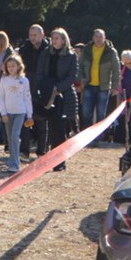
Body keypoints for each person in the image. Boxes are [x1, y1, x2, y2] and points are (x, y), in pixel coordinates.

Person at [43, 28, 80, 170]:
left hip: (64, 96)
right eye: (53, 38)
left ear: (64, 40)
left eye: (57, 38)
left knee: (61, 130)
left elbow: (72, 76)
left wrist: (58, 88)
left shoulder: (71, 56)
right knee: (51, 128)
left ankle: (60, 161)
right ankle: (52, 159)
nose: (54, 41)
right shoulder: (47, 54)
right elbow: (42, 72)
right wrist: (46, 87)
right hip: (48, 94)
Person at [74, 28, 122, 137]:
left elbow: (116, 70)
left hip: (103, 87)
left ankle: (100, 137)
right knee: (86, 113)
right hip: (88, 86)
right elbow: (79, 67)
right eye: (96, 36)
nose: (98, 39)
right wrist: (80, 80)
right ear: (93, 38)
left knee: (101, 114)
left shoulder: (111, 51)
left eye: (101, 36)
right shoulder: (86, 50)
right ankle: (87, 137)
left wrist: (115, 86)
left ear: (104, 38)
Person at [18, 23, 52, 159]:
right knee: (26, 119)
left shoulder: (49, 50)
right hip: (27, 87)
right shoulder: (24, 49)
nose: (32, 38)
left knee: (42, 121)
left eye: (35, 35)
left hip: (43, 87)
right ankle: (24, 150)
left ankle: (41, 150)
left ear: (42, 35)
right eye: (30, 35)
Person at [0, 54, 32, 176]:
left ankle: (16, 164)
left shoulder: (24, 80)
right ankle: (12, 160)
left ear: (18, 66)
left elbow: (27, 97)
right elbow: (0, 97)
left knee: (15, 136)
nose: (11, 68)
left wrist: (29, 114)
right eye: (9, 66)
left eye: (13, 66)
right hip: (8, 113)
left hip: (20, 112)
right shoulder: (4, 80)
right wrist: (3, 113)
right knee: (10, 138)